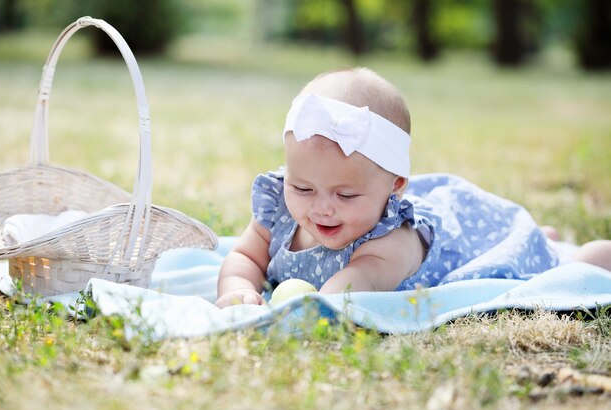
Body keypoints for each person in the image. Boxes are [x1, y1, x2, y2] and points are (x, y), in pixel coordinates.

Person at [215, 67, 611, 308]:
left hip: (459, 236)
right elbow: (245, 258)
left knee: (528, 262)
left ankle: (556, 246)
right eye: (302, 187)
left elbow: (359, 282)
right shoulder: (279, 211)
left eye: (346, 194)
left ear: (395, 186)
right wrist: (236, 288)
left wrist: (316, 307)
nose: (321, 208)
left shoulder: (391, 237)